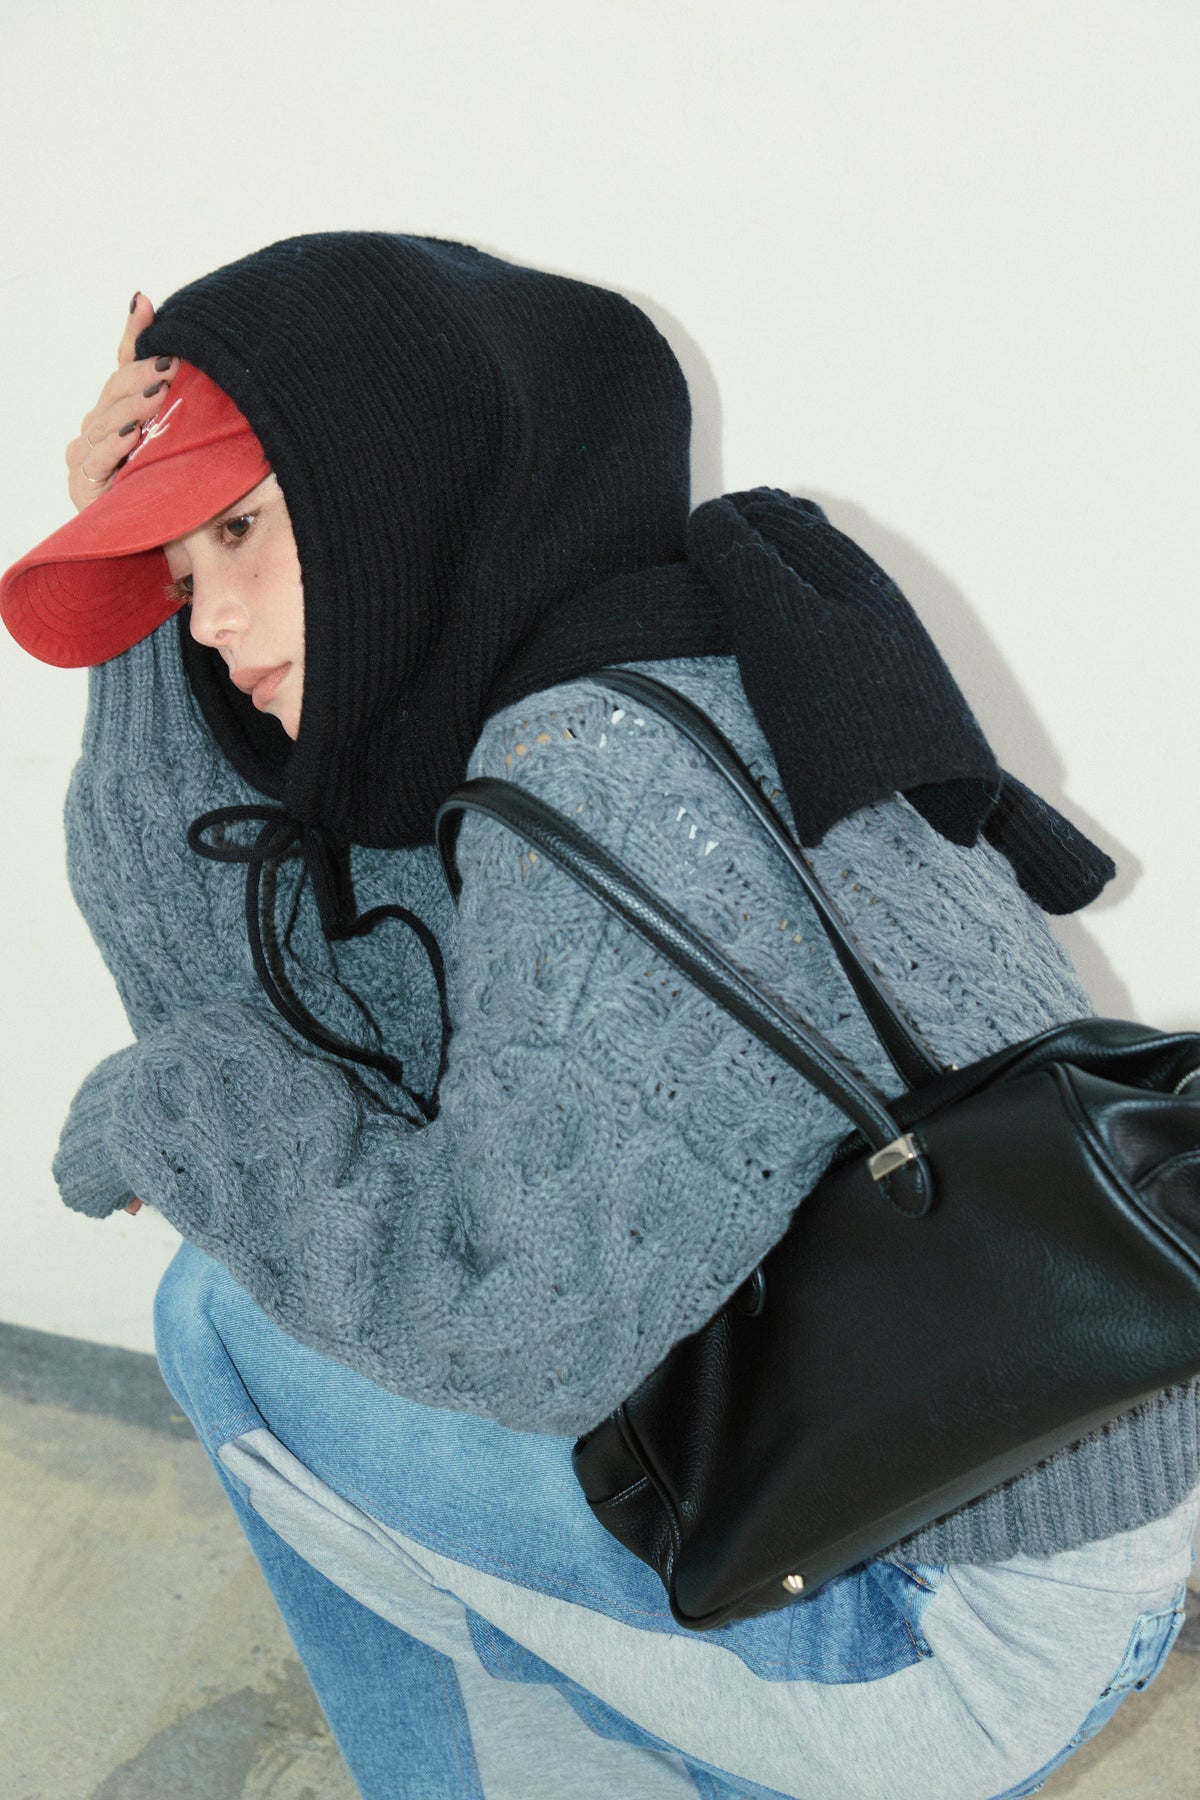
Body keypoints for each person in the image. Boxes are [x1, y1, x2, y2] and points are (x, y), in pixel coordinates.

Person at [3, 233, 1197, 1800]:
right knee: (293, 1299)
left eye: (241, 531)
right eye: (178, 579)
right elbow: (333, 1037)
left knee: (223, 1316)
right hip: (1051, 1503)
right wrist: (136, 601)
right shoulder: (662, 654)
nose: (212, 619)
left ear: (400, 488)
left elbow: (518, 1328)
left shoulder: (587, 778)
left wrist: (161, 1110)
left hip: (949, 1620)